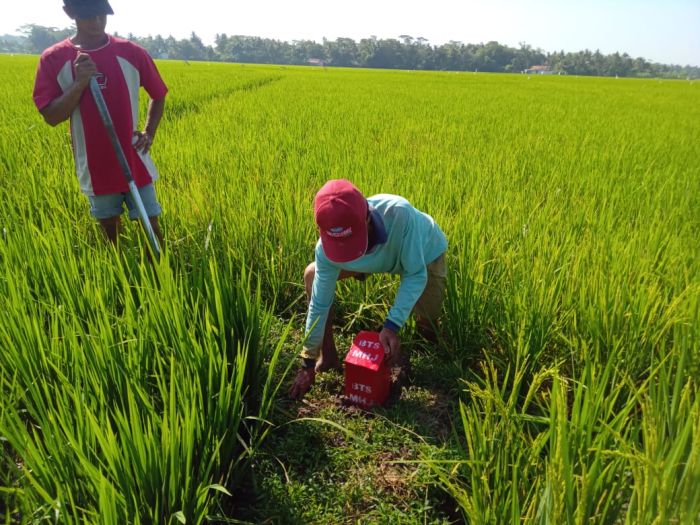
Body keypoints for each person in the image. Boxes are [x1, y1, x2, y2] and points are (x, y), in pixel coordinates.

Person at [289, 179, 448, 400]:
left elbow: (415, 274)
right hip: (375, 257)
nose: (349, 252)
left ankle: (433, 371)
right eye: (340, 247)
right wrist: (307, 362)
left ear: (367, 218)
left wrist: (392, 325)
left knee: (427, 324)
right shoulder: (326, 249)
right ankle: (328, 356)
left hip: (422, 253)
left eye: (351, 243)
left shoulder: (400, 216)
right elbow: (319, 304)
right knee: (313, 275)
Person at [33, 0, 168, 246]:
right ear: (69, 13)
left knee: (152, 226)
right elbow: (52, 116)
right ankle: (117, 279)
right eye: (87, 16)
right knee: (109, 232)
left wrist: (149, 132)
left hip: (134, 159)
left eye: (101, 15)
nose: (96, 22)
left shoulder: (131, 52)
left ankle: (160, 278)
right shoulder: (54, 58)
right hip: (95, 165)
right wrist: (80, 81)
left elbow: (158, 94)